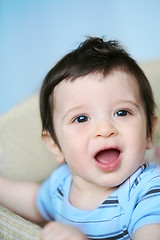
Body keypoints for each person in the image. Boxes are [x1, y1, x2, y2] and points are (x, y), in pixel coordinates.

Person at [0, 37, 160, 240]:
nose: (104, 129)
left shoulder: (148, 189)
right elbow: (33, 201)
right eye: (81, 118)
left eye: (122, 112)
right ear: (55, 145)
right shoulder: (61, 183)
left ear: (148, 132)